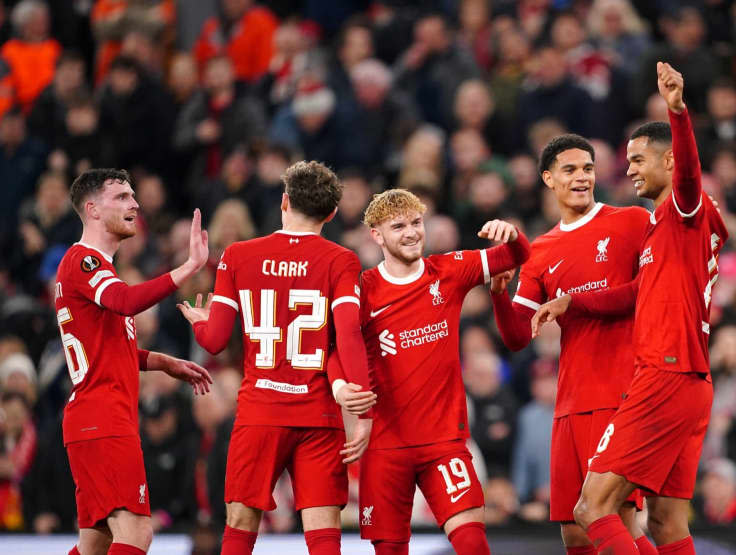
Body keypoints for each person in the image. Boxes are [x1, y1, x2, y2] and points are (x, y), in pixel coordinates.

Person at [532, 63, 728, 554]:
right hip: (693, 383)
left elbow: (688, 174)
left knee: (590, 509)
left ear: (669, 162)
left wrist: (677, 112)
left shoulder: (683, 209)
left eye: (639, 159)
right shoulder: (660, 230)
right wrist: (573, 301)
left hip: (664, 372)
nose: (630, 169)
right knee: (666, 523)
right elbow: (637, 292)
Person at [177, 160, 377, 555]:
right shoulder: (342, 260)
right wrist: (365, 413)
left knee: (239, 526)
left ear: (284, 202)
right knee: (323, 535)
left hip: (260, 412)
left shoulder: (237, 255)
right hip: (317, 415)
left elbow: (215, 342)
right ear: (332, 213)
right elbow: (350, 338)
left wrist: (199, 322)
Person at [488, 132, 656, 555]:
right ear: (548, 178)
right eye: (570, 170)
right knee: (576, 533)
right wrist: (497, 294)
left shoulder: (633, 221)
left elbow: (647, 290)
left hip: (621, 390)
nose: (581, 177)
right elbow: (516, 337)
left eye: (588, 168)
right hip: (570, 400)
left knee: (612, 517)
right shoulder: (541, 251)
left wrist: (573, 303)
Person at [357, 189, 530, 555]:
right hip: (386, 447)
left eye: (416, 223)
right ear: (377, 234)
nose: (411, 233)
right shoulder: (362, 291)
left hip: (444, 443)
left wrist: (512, 233)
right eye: (398, 225)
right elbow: (333, 345)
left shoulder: (448, 270)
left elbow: (516, 256)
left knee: (471, 542)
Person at [55, 168, 214, 555]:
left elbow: (108, 348)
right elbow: (125, 302)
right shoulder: (84, 262)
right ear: (92, 209)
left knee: (96, 543)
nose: (135, 204)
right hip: (103, 418)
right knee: (136, 532)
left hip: (93, 418)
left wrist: (163, 362)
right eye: (122, 197)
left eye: (133, 196)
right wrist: (189, 267)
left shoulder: (93, 268)